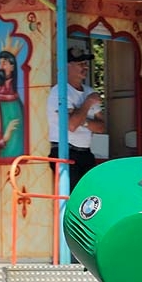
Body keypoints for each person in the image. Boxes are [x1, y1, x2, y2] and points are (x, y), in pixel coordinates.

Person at [47, 46, 106, 192]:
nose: (85, 67)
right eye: (80, 63)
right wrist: (87, 103)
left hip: (85, 152)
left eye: (86, 63)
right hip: (64, 151)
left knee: (92, 195)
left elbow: (101, 127)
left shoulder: (89, 91)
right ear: (67, 66)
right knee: (72, 197)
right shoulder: (59, 92)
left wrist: (82, 120)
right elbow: (71, 125)